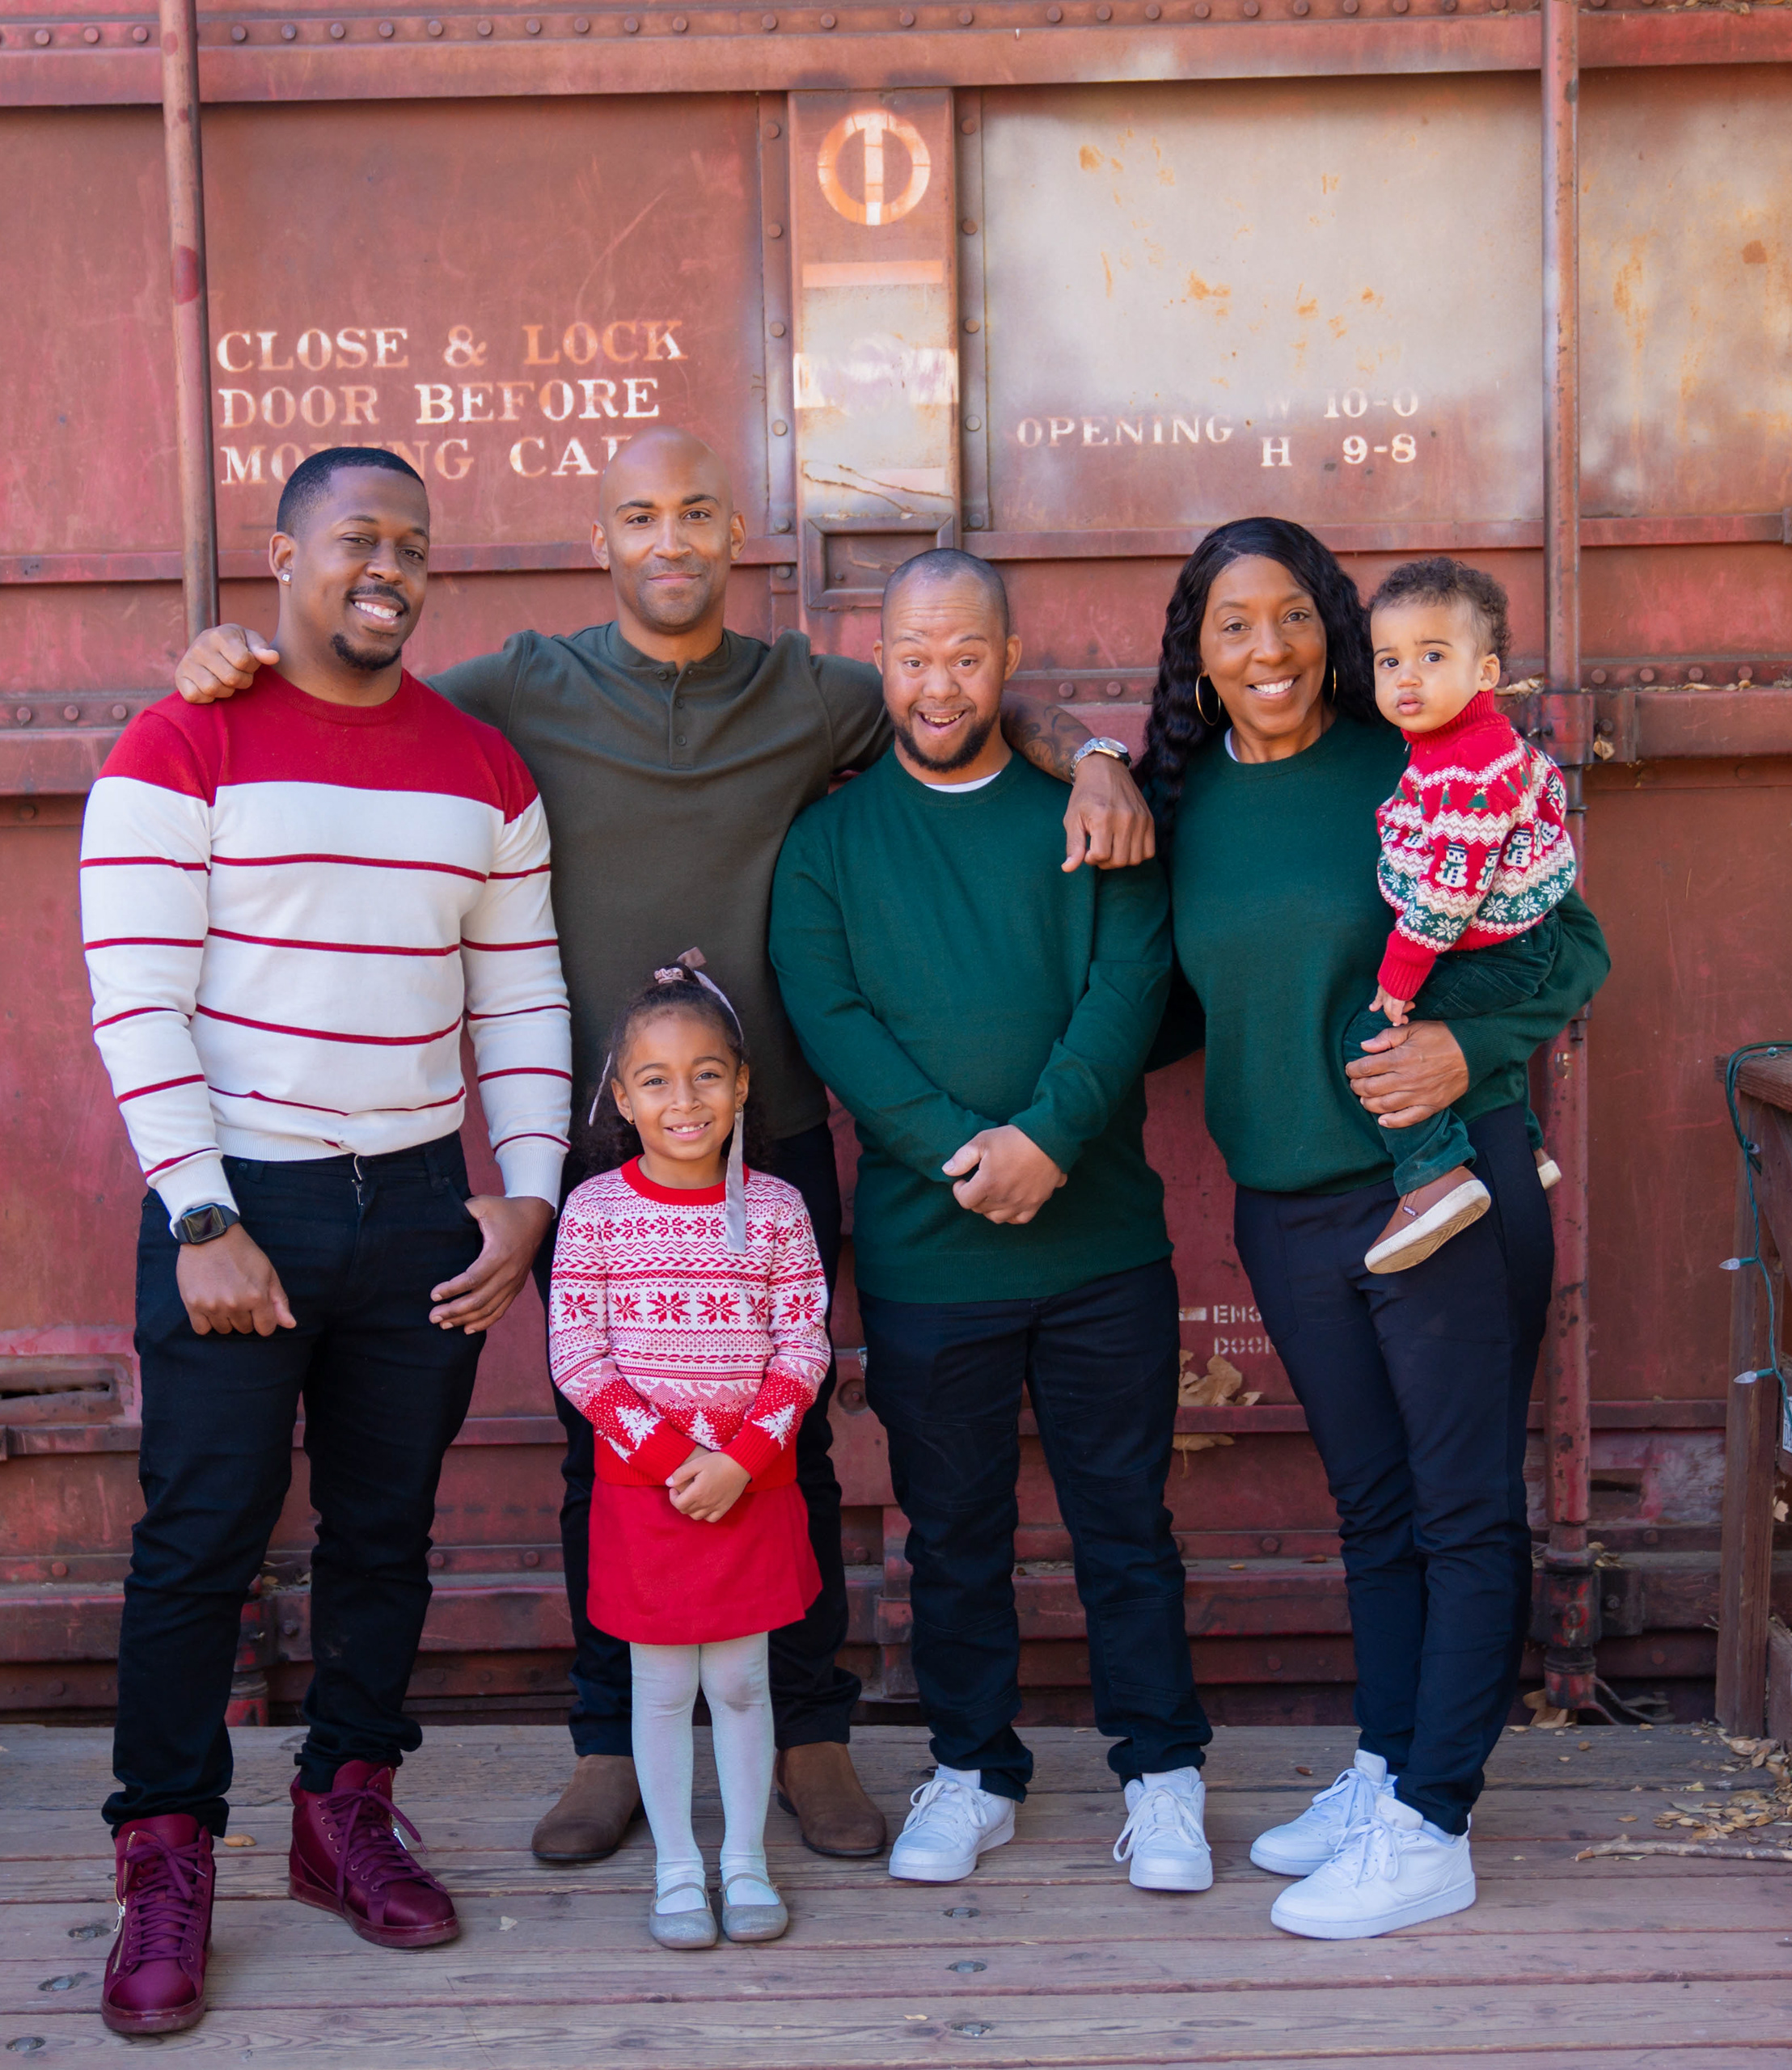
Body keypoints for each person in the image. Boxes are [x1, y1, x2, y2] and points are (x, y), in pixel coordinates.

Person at [167, 426, 1156, 1866]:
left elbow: (971, 697)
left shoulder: (811, 692)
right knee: (608, 1446)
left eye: (698, 512)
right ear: (603, 541)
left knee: (788, 1434)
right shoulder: (525, 685)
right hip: (600, 1148)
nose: (672, 539)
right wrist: (235, 663)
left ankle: (808, 1732)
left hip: (777, 1138)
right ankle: (609, 1743)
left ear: (737, 535)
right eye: (641, 516)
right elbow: (361, 695)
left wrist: (1101, 754)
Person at [80, 446, 568, 2034]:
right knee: (199, 1539)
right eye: (359, 538)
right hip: (242, 1204)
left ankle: (344, 1809)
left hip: (420, 1203)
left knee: (384, 1533)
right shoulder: (180, 741)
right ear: (282, 554)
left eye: (413, 546)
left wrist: (529, 1193)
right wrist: (201, 1210)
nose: (390, 569)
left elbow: (522, 997)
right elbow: (136, 996)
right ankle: (164, 1856)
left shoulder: (482, 768)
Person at [1135, 518, 1608, 1941]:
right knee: (1375, 1509)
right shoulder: (1181, 800)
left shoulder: (1414, 759)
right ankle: (1391, 1764)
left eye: (1293, 614)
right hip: (1284, 1202)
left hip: (1443, 1184)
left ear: (1335, 628)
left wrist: (1469, 1049)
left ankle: (1434, 1824)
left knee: (1462, 1508)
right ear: (1196, 652)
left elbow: (1574, 947)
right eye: (1233, 624)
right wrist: (1086, 755)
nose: (1267, 648)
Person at [767, 548, 1213, 1896]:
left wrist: (1049, 1141)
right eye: (913, 658)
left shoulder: (1093, 818)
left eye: (966, 656)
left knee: (1124, 1526)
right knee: (951, 1536)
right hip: (930, 1258)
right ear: (880, 667)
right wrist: (966, 1155)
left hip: (1102, 1250)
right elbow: (833, 1020)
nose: (939, 683)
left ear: (1009, 661)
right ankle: (973, 1771)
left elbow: (1129, 984)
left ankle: (1163, 1776)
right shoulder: (829, 844)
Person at [547, 961, 833, 1949]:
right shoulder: (594, 1213)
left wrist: (742, 1458)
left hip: (752, 1484)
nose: (685, 1099)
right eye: (656, 1079)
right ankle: (677, 1868)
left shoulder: (779, 1210)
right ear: (622, 1097)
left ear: (743, 1084)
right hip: (648, 1492)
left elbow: (803, 1346)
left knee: (745, 1682)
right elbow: (578, 1355)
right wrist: (677, 1460)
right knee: (663, 1687)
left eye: (708, 1074)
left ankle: (744, 1861)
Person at [1348, 556, 1578, 1273]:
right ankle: (1527, 1149)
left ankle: (1434, 1178)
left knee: (1374, 1036)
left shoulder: (1469, 763)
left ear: (1486, 672)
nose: (1407, 678)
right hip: (1515, 938)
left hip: (1496, 949)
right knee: (1449, 1024)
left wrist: (1404, 965)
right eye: (1389, 660)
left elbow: (1455, 882)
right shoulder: (1463, 744)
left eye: (1432, 656)